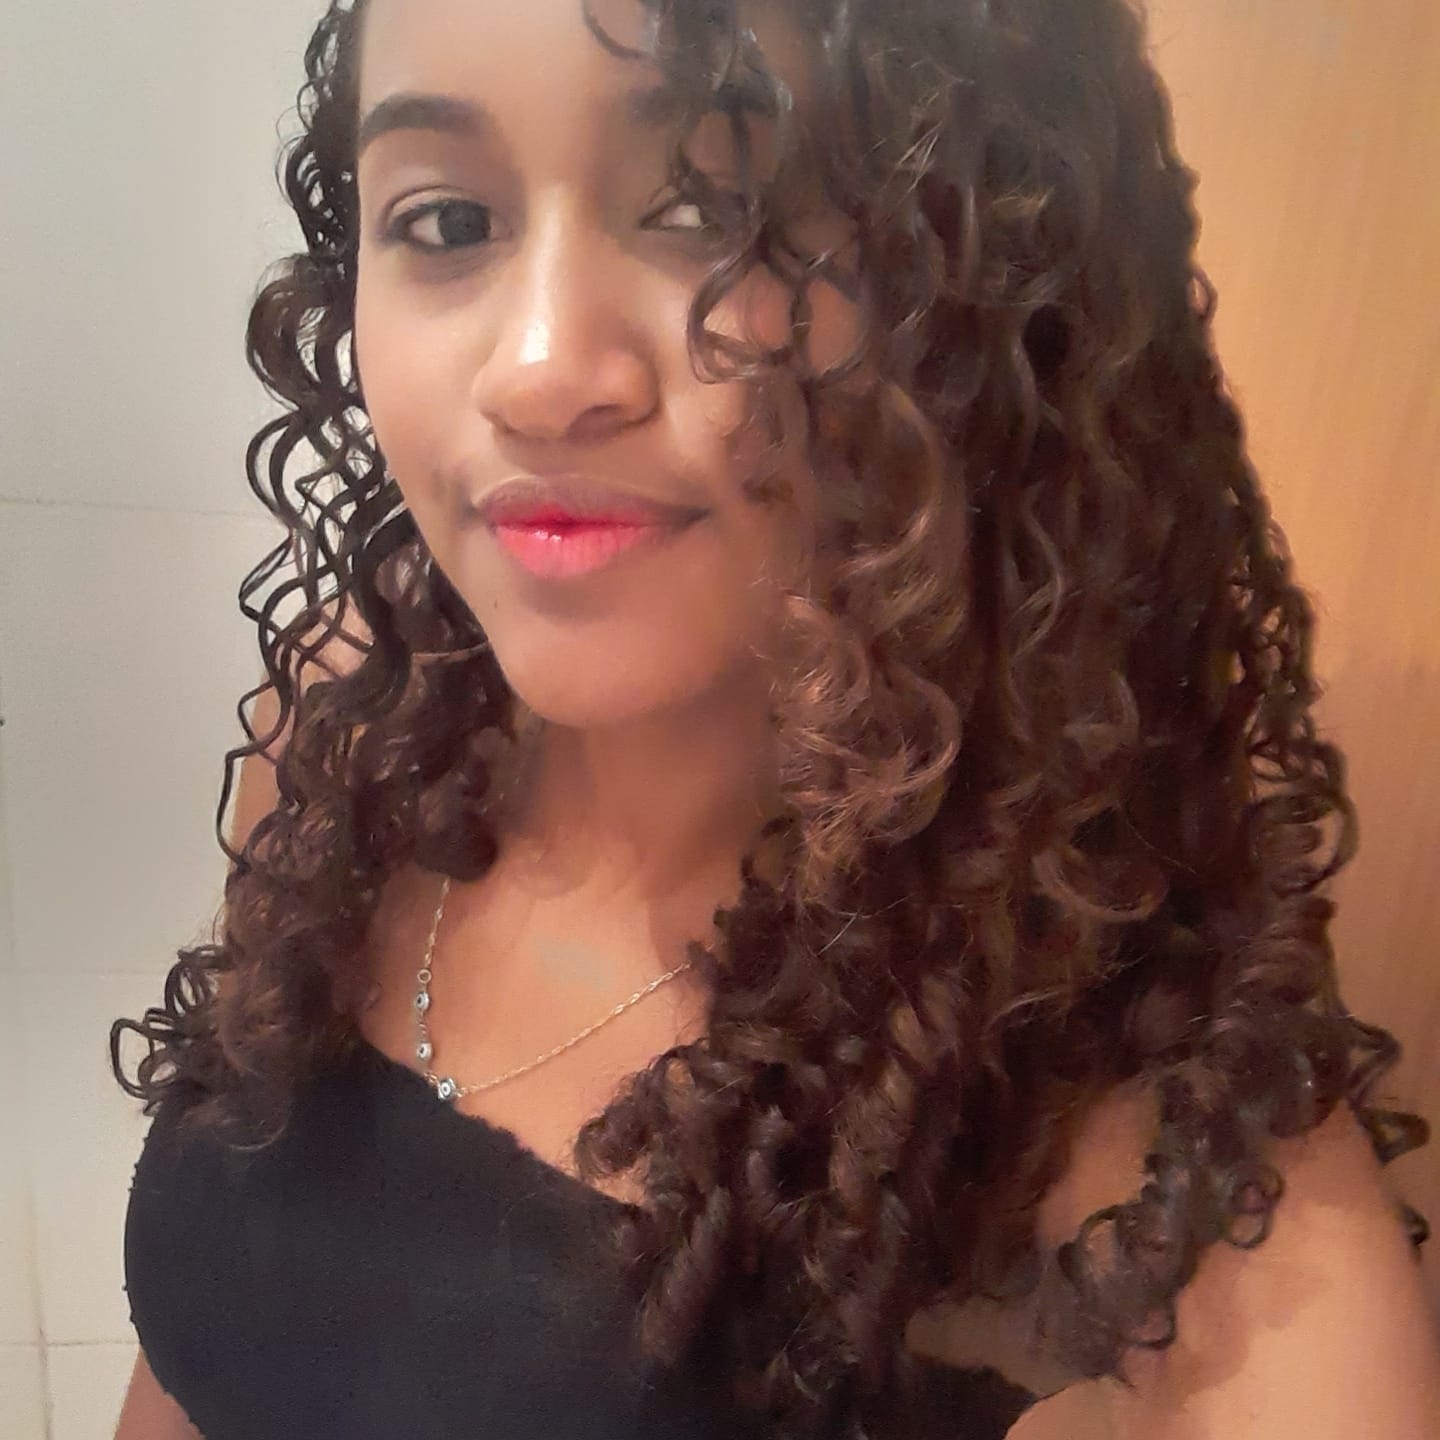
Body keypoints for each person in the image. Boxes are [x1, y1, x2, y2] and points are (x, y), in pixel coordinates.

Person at [110, 0, 1440, 1436]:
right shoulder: (351, 731)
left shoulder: (1079, 1046)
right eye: (446, 222)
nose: (537, 371)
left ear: (990, 284)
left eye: (714, 211)